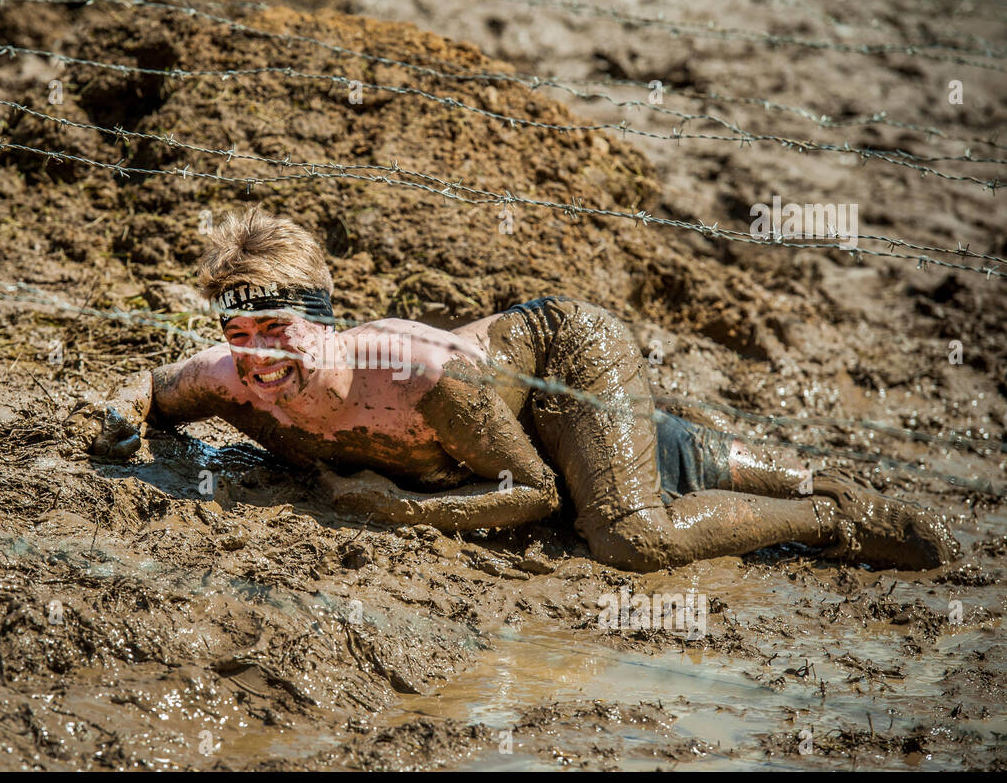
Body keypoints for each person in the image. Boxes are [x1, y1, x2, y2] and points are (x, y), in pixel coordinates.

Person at [70, 207, 959, 572]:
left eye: (279, 332)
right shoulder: (229, 380)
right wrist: (122, 415)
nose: (259, 359)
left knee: (623, 533)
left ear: (326, 321)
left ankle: (831, 518)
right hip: (516, 418)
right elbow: (149, 387)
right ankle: (803, 478)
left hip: (564, 357)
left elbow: (528, 493)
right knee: (645, 469)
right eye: (239, 336)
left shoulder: (412, 374)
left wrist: (395, 511)